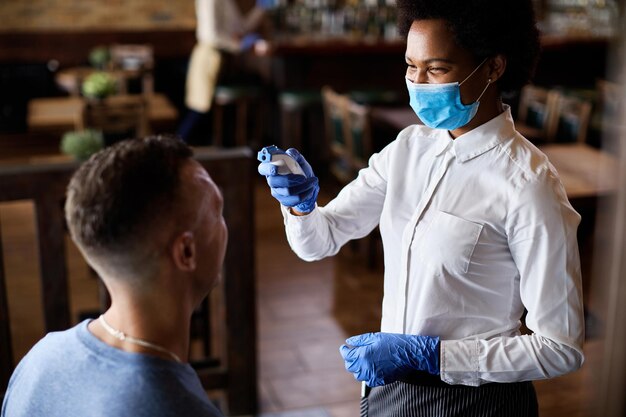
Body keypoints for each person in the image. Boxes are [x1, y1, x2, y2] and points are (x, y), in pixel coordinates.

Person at [257, 0, 585, 415]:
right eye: (411, 66)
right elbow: (318, 242)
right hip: (389, 389)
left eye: (437, 69)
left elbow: (560, 347)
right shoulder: (408, 150)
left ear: (493, 67)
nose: (419, 83)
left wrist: (432, 356)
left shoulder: (528, 184)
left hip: (479, 400)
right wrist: (302, 206)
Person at [1, 136, 228, 417]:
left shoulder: (40, 359)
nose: (224, 225)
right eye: (217, 211)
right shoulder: (181, 408)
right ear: (186, 252)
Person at [177, 0, 270, 143]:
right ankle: (175, 150)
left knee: (202, 111)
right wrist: (241, 45)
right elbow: (211, 35)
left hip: (223, 61)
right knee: (198, 110)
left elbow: (241, 28)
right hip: (208, 58)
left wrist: (260, 9)